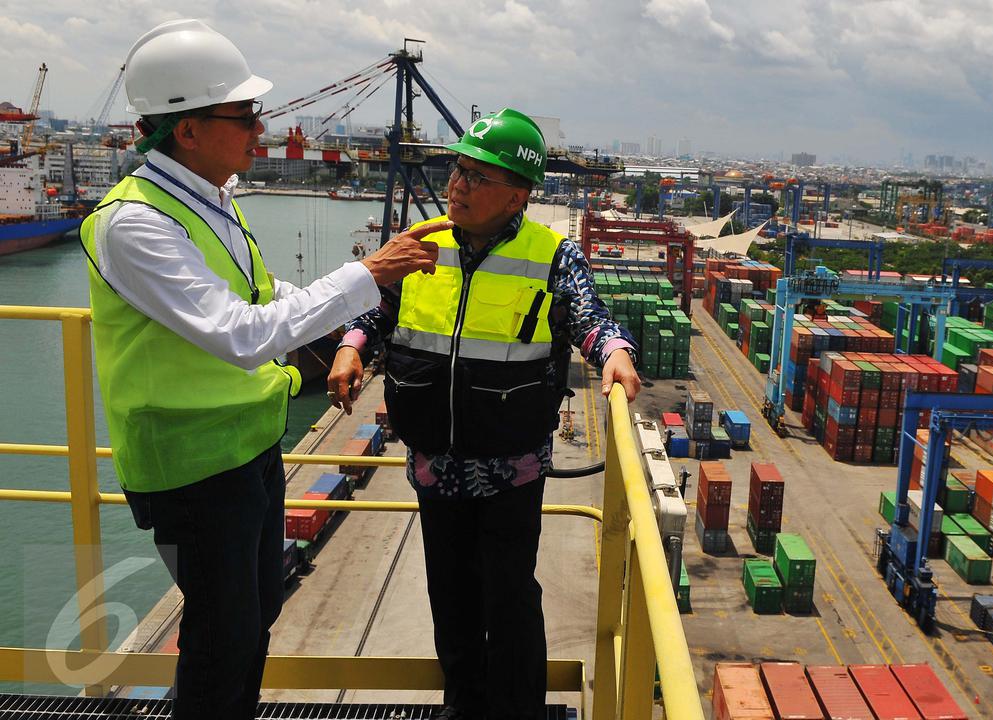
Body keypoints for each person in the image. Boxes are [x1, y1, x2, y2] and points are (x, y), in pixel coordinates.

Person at [81, 19, 449, 719]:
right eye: (244, 114)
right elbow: (240, 334)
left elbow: (261, 293)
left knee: (255, 616)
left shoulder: (209, 199)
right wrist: (368, 274)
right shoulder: (135, 223)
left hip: (247, 447)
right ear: (189, 129)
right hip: (188, 464)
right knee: (222, 635)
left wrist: (345, 326)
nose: (262, 129)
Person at [328, 108, 641, 719]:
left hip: (509, 467)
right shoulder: (423, 243)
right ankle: (464, 705)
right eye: (457, 171)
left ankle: (517, 711)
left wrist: (614, 353)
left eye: (477, 176)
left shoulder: (552, 255)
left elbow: (589, 317)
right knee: (450, 596)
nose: (457, 186)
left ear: (517, 196)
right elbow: (378, 308)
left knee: (510, 596)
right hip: (434, 462)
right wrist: (351, 346)